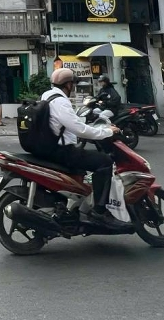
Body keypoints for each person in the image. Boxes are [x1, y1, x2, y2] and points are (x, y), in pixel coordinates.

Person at [40, 68, 126, 229]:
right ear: (68, 84)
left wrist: (86, 125)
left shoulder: (47, 95)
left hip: (49, 147)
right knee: (105, 162)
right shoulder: (61, 101)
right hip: (62, 151)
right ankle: (99, 212)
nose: (73, 87)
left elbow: (69, 122)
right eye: (72, 84)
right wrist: (106, 132)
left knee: (84, 166)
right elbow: (79, 129)